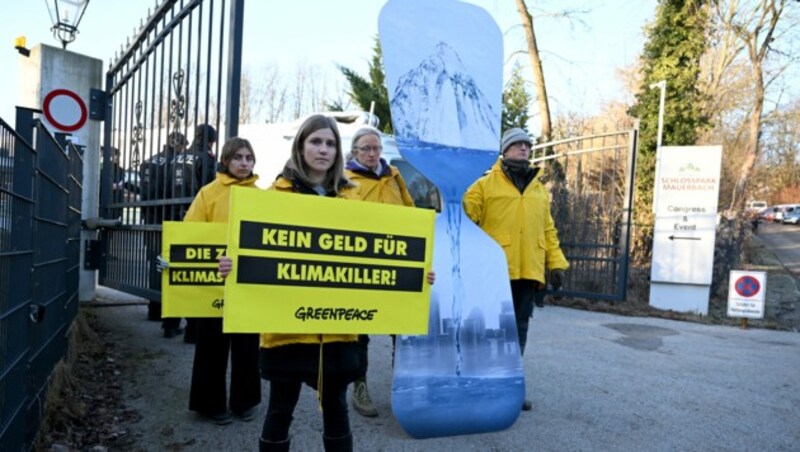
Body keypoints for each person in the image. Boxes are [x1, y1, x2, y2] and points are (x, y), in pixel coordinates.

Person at [218, 115, 434, 452]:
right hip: (287, 329)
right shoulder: (273, 195)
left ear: (337, 151)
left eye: (330, 143)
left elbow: (376, 257)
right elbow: (251, 251)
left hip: (339, 332)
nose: (323, 149)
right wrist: (232, 265)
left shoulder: (352, 200)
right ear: (301, 146)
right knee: (279, 411)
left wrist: (415, 275)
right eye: (316, 142)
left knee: (336, 411)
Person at [462, 127, 569, 412]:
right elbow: (465, 216)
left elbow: (548, 229)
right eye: (518, 144)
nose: (524, 148)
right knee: (491, 330)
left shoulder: (538, 189)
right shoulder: (484, 185)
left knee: (519, 330)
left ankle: (509, 387)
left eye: (527, 144)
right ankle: (483, 385)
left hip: (528, 271)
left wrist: (556, 263)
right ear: (505, 150)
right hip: (495, 270)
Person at [186, 137, 262, 425]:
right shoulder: (209, 193)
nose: (244, 163)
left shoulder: (262, 194)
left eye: (249, 157)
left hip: (249, 283)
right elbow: (192, 234)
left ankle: (245, 401)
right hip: (214, 282)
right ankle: (209, 404)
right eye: (238, 157)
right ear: (226, 160)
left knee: (247, 347)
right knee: (211, 347)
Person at [344, 126, 414, 418]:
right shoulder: (344, 181)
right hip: (359, 267)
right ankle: (359, 386)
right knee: (360, 330)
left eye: (376, 148)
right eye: (366, 149)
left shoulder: (395, 179)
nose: (373, 154)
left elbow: (412, 214)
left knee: (401, 326)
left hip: (394, 264)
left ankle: (404, 384)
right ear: (355, 152)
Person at [170, 124, 218, 342]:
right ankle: (194, 329)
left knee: (183, 270)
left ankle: (172, 321)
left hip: (177, 213)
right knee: (201, 273)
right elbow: (209, 189)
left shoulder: (179, 157)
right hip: (199, 215)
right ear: (211, 141)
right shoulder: (205, 158)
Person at [140, 132, 187, 328]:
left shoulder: (148, 162)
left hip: (150, 218)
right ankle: (168, 314)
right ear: (181, 145)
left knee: (154, 264)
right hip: (169, 218)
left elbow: (144, 191)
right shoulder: (177, 163)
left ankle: (154, 310)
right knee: (170, 266)